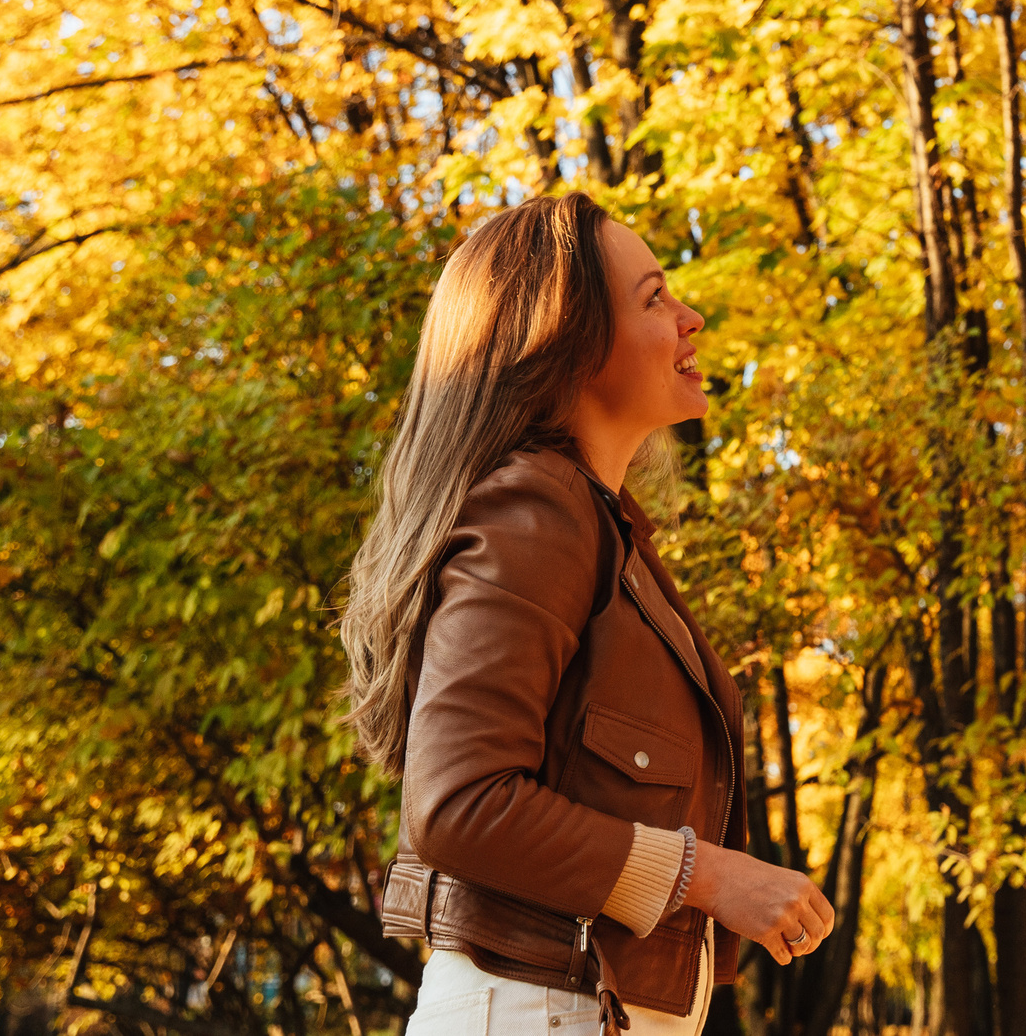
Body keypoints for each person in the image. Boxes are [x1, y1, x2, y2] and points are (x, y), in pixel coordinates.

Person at [339, 195, 833, 1036]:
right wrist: (705, 877)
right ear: (566, 345)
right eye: (653, 300)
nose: (690, 317)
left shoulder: (606, 531)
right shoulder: (535, 510)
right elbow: (460, 801)